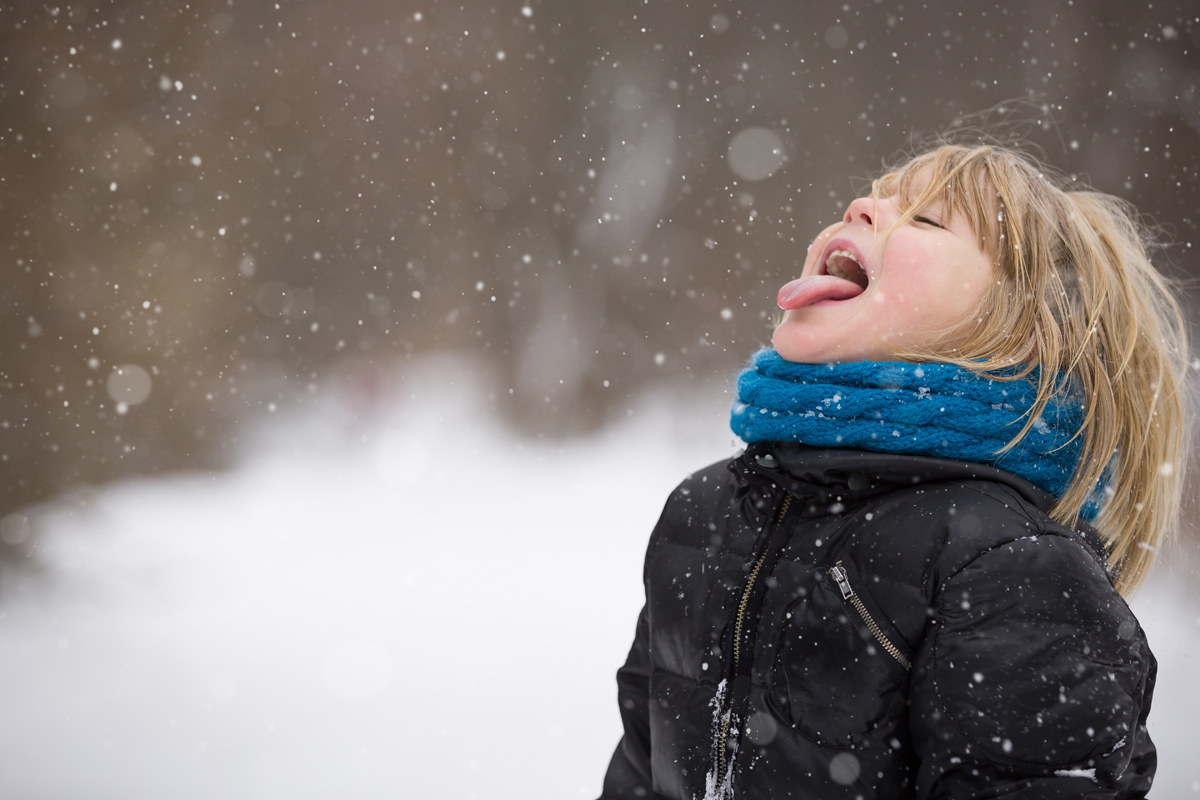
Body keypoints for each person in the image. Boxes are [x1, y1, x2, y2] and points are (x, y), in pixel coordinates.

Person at [598, 140, 1191, 799]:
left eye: (928, 220)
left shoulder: (1011, 565)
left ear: (1020, 332)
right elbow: (641, 771)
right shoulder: (707, 509)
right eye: (876, 196)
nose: (862, 206)